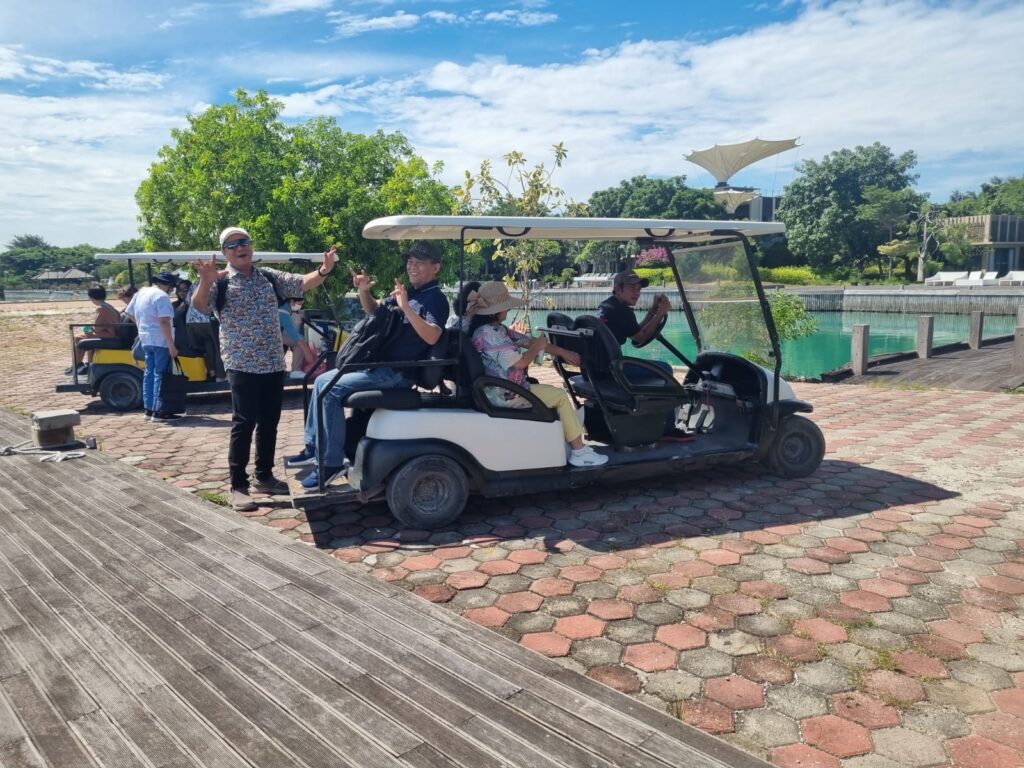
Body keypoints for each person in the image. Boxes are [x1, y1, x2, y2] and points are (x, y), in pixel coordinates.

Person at [191, 226, 337, 512]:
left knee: (270, 422)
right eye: (232, 245)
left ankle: (265, 477)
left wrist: (323, 270)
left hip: (272, 361)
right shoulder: (219, 282)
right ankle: (238, 485)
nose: (239, 247)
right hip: (241, 363)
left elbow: (301, 283)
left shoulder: (269, 277)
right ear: (224, 253)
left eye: (243, 242)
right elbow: (199, 306)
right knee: (244, 423)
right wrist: (205, 281)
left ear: (251, 246)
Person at [287, 240, 450, 489]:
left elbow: (433, 336)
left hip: (398, 373)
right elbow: (375, 309)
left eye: (419, 262)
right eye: (410, 261)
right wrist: (364, 290)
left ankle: (331, 463)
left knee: (330, 390)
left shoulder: (435, 298)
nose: (412, 266)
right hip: (380, 367)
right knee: (320, 380)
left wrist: (406, 308)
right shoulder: (411, 293)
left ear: (435, 267)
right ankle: (314, 447)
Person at [468, 282, 608, 468]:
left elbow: (527, 341)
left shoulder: (494, 329)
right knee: (559, 396)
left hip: (502, 388)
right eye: (506, 306)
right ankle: (579, 451)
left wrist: (563, 352)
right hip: (506, 394)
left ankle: (572, 439)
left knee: (549, 391)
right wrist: (537, 348)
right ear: (496, 311)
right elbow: (522, 362)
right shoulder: (490, 334)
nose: (508, 309)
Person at [125, 273, 179, 422]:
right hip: (160, 340)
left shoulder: (141, 292)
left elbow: (129, 312)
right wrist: (171, 345)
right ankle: (159, 411)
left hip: (146, 339)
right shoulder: (161, 296)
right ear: (169, 286)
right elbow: (164, 321)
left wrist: (142, 326)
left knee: (149, 373)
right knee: (160, 374)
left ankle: (148, 409)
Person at [66, 285, 121, 374]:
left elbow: (97, 327)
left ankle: (77, 365)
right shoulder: (108, 306)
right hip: (113, 333)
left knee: (77, 337)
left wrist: (90, 329)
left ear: (91, 297)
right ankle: (86, 364)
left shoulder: (101, 308)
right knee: (87, 336)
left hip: (111, 335)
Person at [279, 296, 316, 377]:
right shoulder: (283, 311)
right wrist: (306, 351)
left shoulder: (285, 308)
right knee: (300, 343)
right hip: (274, 335)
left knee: (301, 341)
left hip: (276, 334)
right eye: (299, 304)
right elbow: (293, 333)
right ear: (291, 301)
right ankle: (296, 370)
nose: (300, 306)